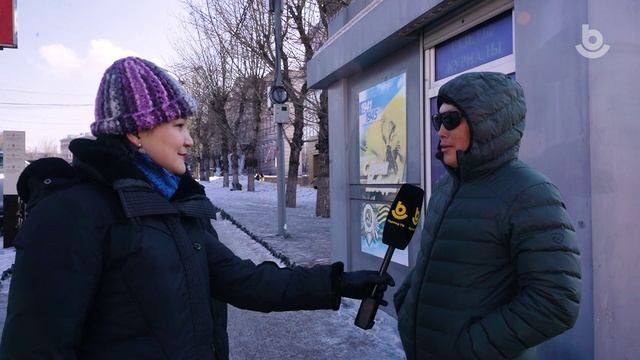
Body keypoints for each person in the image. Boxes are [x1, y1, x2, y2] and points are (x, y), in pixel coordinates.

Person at [0, 57, 393, 360]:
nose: (189, 140)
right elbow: (35, 347)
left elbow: (242, 280)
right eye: (179, 126)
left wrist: (336, 283)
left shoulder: (178, 206)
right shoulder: (72, 214)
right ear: (136, 131)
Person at [393, 72, 581, 360]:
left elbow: (555, 302)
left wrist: (470, 348)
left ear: (487, 123)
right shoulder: (446, 187)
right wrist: (407, 302)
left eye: (451, 120)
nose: (440, 132)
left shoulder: (530, 192)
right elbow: (432, 261)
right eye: (437, 121)